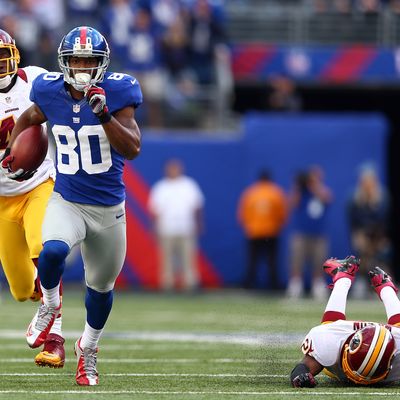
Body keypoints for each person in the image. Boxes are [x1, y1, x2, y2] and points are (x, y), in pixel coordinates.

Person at [3, 26, 142, 386]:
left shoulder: (118, 91)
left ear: (103, 65)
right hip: (66, 199)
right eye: (76, 60)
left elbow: (133, 149)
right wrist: (14, 147)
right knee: (50, 253)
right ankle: (49, 303)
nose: (82, 67)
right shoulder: (49, 90)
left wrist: (105, 115)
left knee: (100, 290)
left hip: (108, 209)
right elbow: (30, 118)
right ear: (64, 62)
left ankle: (88, 350)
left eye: (89, 61)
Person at [0, 29, 64, 368]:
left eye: (1, 58)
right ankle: (46, 298)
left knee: (44, 248)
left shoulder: (36, 79)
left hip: (39, 183)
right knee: (22, 289)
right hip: (3, 198)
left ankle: (56, 341)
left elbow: (67, 98)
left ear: (15, 56)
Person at [291, 255, 400, 387]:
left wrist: (300, 378)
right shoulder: (331, 341)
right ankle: (345, 277)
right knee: (330, 328)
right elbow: (304, 366)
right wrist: (300, 376)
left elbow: (302, 370)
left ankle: (384, 285)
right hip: (342, 336)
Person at [148, 159, 204, 291]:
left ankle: (190, 283)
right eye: (171, 168)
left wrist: (198, 224)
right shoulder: (161, 187)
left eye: (176, 168)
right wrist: (154, 228)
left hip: (186, 228)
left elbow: (197, 206)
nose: (174, 171)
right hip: (166, 229)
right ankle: (167, 284)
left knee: (188, 257)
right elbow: (155, 210)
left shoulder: (189, 185)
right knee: (166, 259)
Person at [286, 166, 333, 299]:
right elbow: (291, 204)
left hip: (318, 235)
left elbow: (327, 198)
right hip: (301, 234)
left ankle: (317, 286)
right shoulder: (301, 192)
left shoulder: (322, 190)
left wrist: (314, 186)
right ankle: (295, 286)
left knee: (319, 262)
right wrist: (297, 186)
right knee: (296, 261)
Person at [237, 170, 288, 290]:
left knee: (252, 260)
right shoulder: (275, 192)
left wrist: (248, 226)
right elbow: (281, 213)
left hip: (254, 232)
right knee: (272, 261)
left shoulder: (251, 192)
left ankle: (249, 284)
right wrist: (277, 226)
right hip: (271, 232)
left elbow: (243, 213)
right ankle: (274, 285)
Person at [348, 165, 391, 297]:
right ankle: (361, 281)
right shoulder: (355, 197)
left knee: (382, 254)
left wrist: (373, 204)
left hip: (379, 235)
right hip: (362, 234)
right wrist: (358, 236)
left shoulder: (383, 196)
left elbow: (384, 219)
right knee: (363, 253)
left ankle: (386, 284)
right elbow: (354, 221)